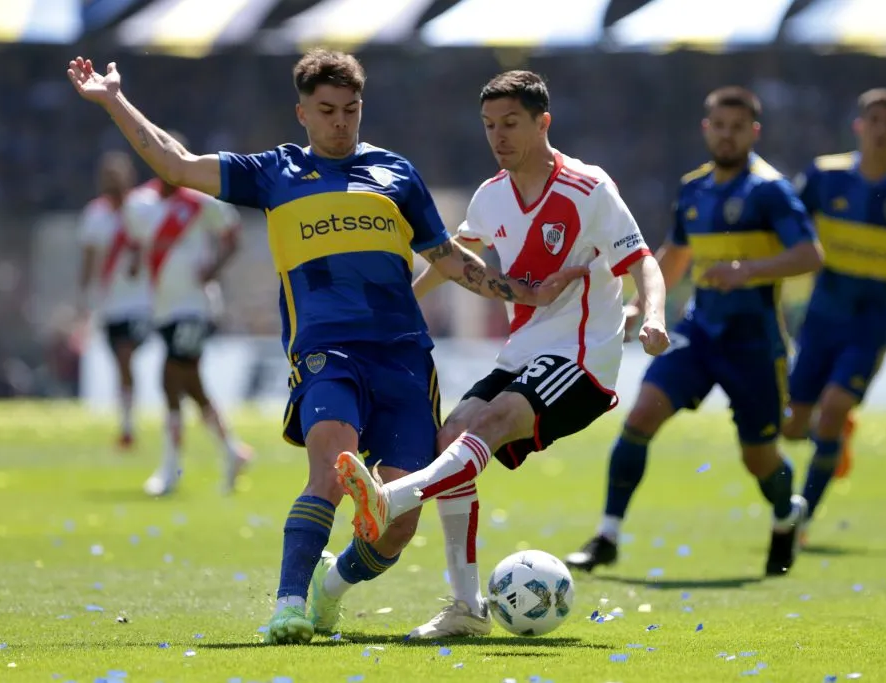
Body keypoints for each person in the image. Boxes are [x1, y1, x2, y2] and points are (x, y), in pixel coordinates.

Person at [67, 49, 583, 644]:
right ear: (303, 114)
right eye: (328, 110)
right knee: (333, 472)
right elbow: (176, 164)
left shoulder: (396, 173)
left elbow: (451, 261)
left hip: (403, 357)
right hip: (325, 352)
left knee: (397, 526)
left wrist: (525, 292)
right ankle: (287, 605)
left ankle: (327, 587)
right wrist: (112, 99)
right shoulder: (273, 173)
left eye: (352, 109)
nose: (341, 121)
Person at [333, 70, 670, 637]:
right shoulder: (490, 199)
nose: (498, 137)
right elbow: (453, 259)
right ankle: (466, 607)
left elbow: (643, 262)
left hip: (583, 360)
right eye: (489, 126)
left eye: (511, 123)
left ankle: (390, 498)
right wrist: (401, 306)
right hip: (522, 355)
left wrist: (653, 314)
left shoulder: (590, 189)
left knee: (485, 422)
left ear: (543, 122)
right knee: (451, 436)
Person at [564, 86, 825, 578]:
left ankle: (787, 513)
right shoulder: (694, 188)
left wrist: (746, 270)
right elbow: (676, 255)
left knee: (759, 457)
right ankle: (608, 535)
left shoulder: (769, 190)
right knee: (639, 417)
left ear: (754, 132)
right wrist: (642, 303)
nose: (727, 136)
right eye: (719, 126)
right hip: (698, 332)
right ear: (707, 129)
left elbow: (810, 254)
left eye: (737, 128)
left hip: (753, 342)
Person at [783, 88, 886, 535]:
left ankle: (802, 517)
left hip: (872, 320)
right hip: (821, 315)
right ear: (859, 126)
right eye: (873, 120)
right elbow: (791, 221)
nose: (880, 129)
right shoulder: (824, 175)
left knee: (834, 406)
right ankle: (831, 438)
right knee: (793, 426)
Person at [120, 132, 252, 498]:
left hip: (194, 307)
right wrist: (134, 266)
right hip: (161, 307)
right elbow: (135, 244)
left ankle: (170, 467)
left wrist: (213, 269)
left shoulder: (198, 200)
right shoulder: (139, 204)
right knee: (192, 385)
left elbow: (233, 235)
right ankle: (232, 451)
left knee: (169, 379)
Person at [78, 150, 150, 449]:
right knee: (120, 362)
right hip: (111, 303)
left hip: (142, 302)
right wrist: (84, 292)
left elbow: (152, 244)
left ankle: (128, 424)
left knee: (125, 355)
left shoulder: (143, 207)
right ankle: (127, 418)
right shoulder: (95, 214)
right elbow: (89, 256)